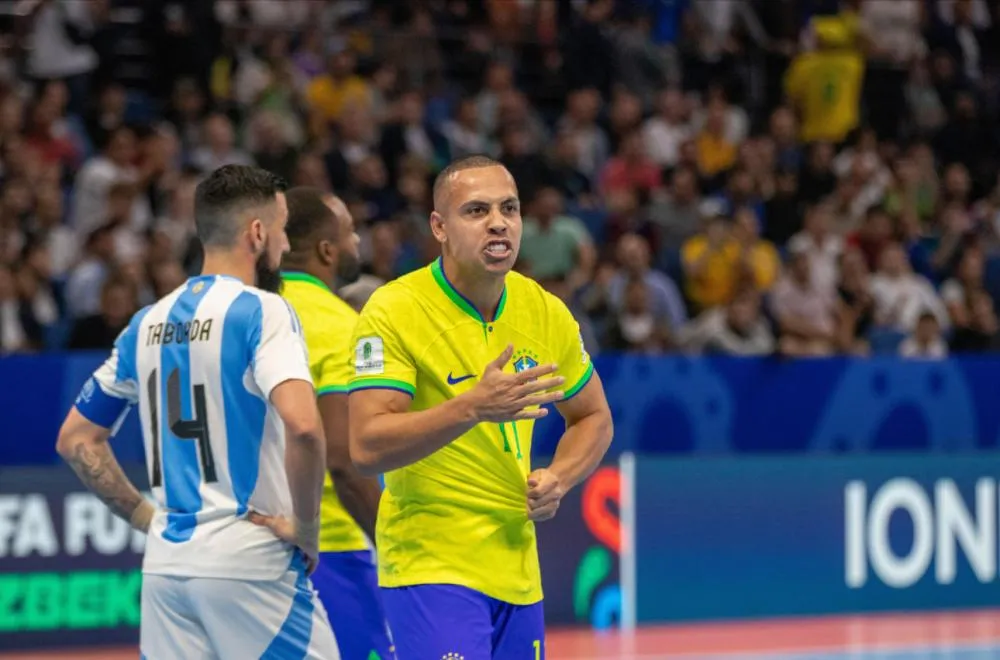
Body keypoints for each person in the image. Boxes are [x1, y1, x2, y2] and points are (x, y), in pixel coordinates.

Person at [55, 165, 340, 659]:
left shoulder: (146, 322)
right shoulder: (264, 310)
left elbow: (76, 439)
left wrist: (146, 517)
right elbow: (304, 427)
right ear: (256, 233)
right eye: (281, 227)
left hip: (167, 568)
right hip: (249, 564)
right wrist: (308, 529)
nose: (285, 244)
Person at [348, 155, 615, 659]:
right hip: (431, 563)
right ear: (439, 227)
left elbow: (593, 417)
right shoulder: (395, 309)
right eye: (476, 211)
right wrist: (471, 407)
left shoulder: (545, 311)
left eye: (508, 208)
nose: (498, 222)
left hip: (517, 567)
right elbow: (365, 446)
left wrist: (560, 476)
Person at [280, 186, 395, 660]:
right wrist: (395, 541)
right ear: (327, 250)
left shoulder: (248, 311)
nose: (357, 244)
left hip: (250, 544)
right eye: (350, 234)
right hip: (330, 547)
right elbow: (344, 463)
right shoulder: (341, 325)